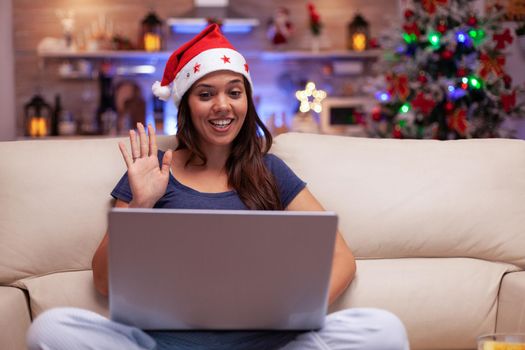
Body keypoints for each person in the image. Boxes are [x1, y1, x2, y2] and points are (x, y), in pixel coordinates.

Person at [27, 24, 409, 350]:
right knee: (49, 328)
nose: (222, 106)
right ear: (186, 105)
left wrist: (293, 313)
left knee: (384, 330)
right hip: (164, 343)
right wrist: (141, 204)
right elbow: (104, 282)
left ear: (247, 101)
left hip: (267, 342)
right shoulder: (151, 173)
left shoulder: (270, 170)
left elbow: (342, 257)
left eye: (234, 92)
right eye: (206, 94)